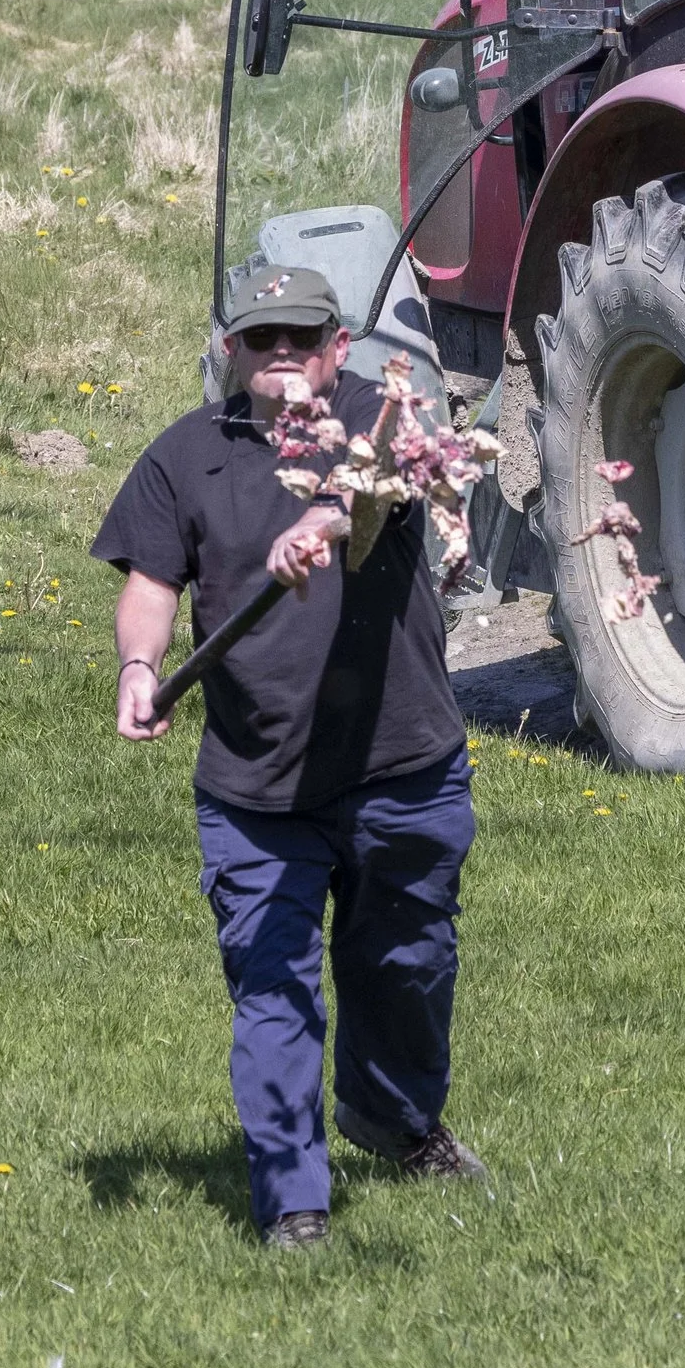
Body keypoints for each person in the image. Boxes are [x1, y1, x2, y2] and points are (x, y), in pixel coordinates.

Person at [93, 263, 483, 1251]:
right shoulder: (184, 457)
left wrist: (323, 516)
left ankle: (393, 1117)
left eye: (300, 339)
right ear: (233, 352)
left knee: (408, 965)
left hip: (401, 764)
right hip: (256, 785)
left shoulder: (384, 413)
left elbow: (384, 479)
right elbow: (149, 581)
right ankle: (293, 1200)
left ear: (337, 347)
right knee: (272, 990)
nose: (280, 357)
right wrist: (141, 664)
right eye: (259, 340)